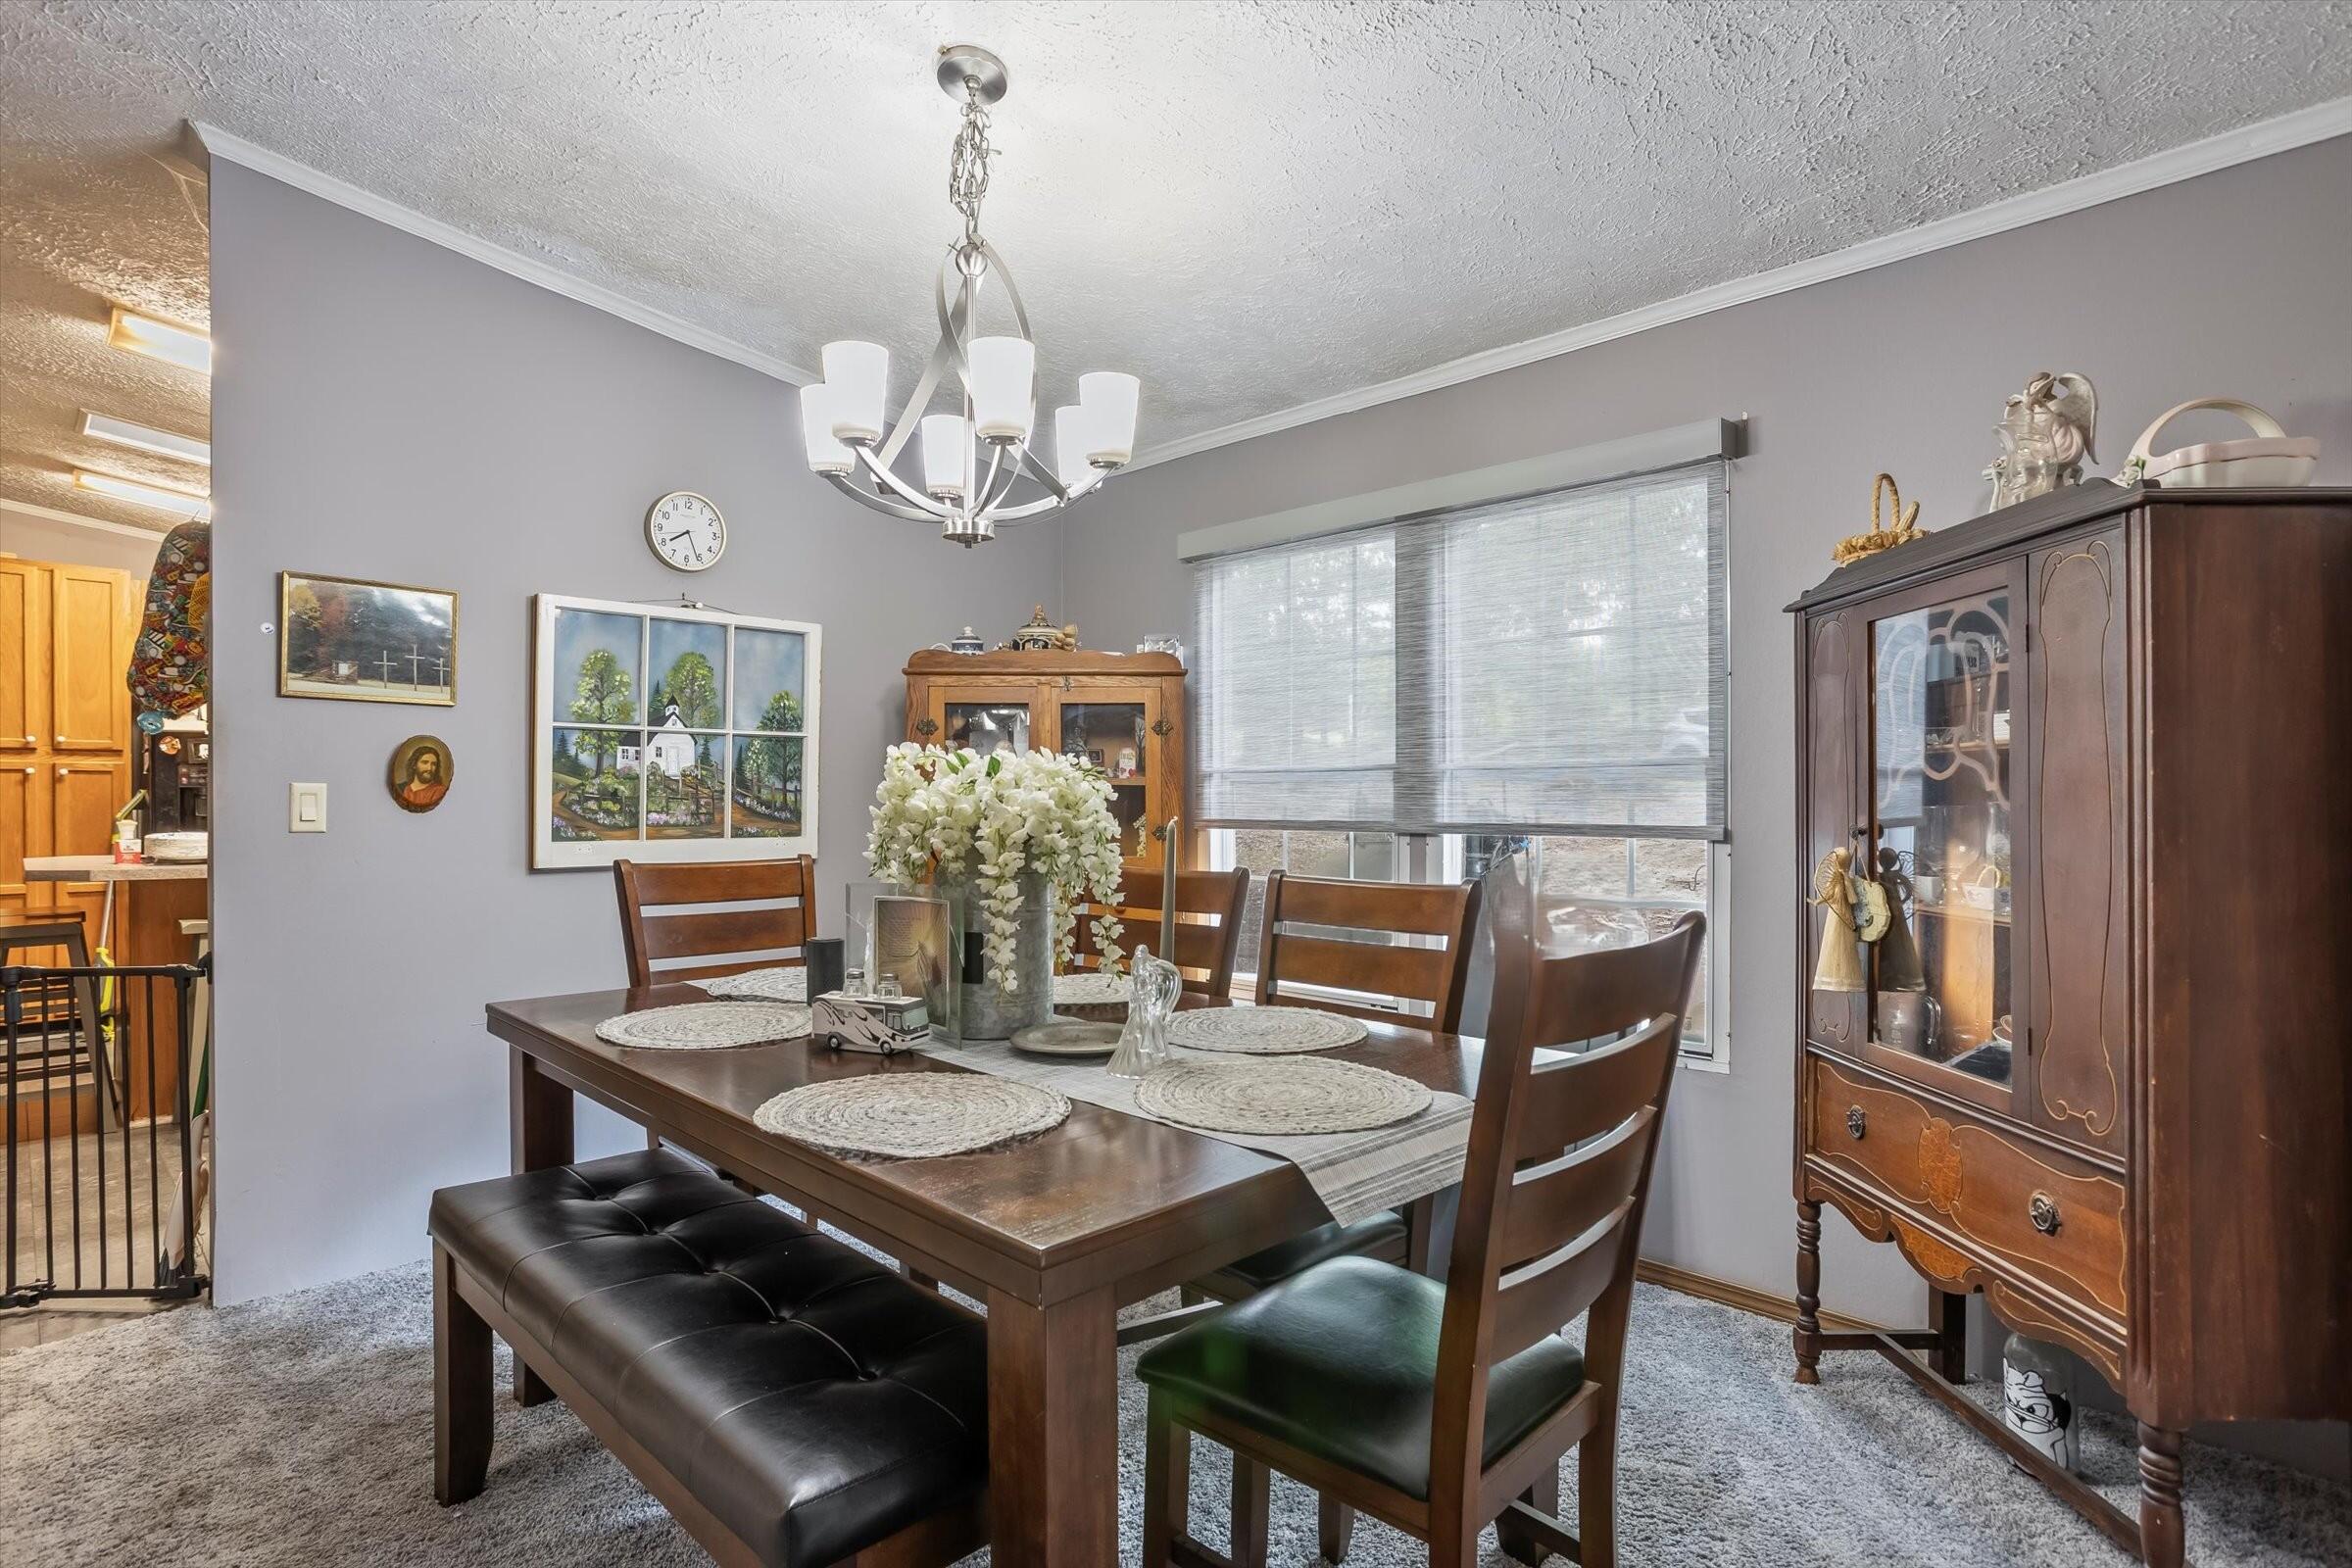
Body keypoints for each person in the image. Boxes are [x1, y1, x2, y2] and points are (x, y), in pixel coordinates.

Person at [397, 744, 450, 810]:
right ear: (414, 765)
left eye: (433, 764)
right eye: (425, 762)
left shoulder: (438, 790)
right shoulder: (403, 788)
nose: (429, 768)